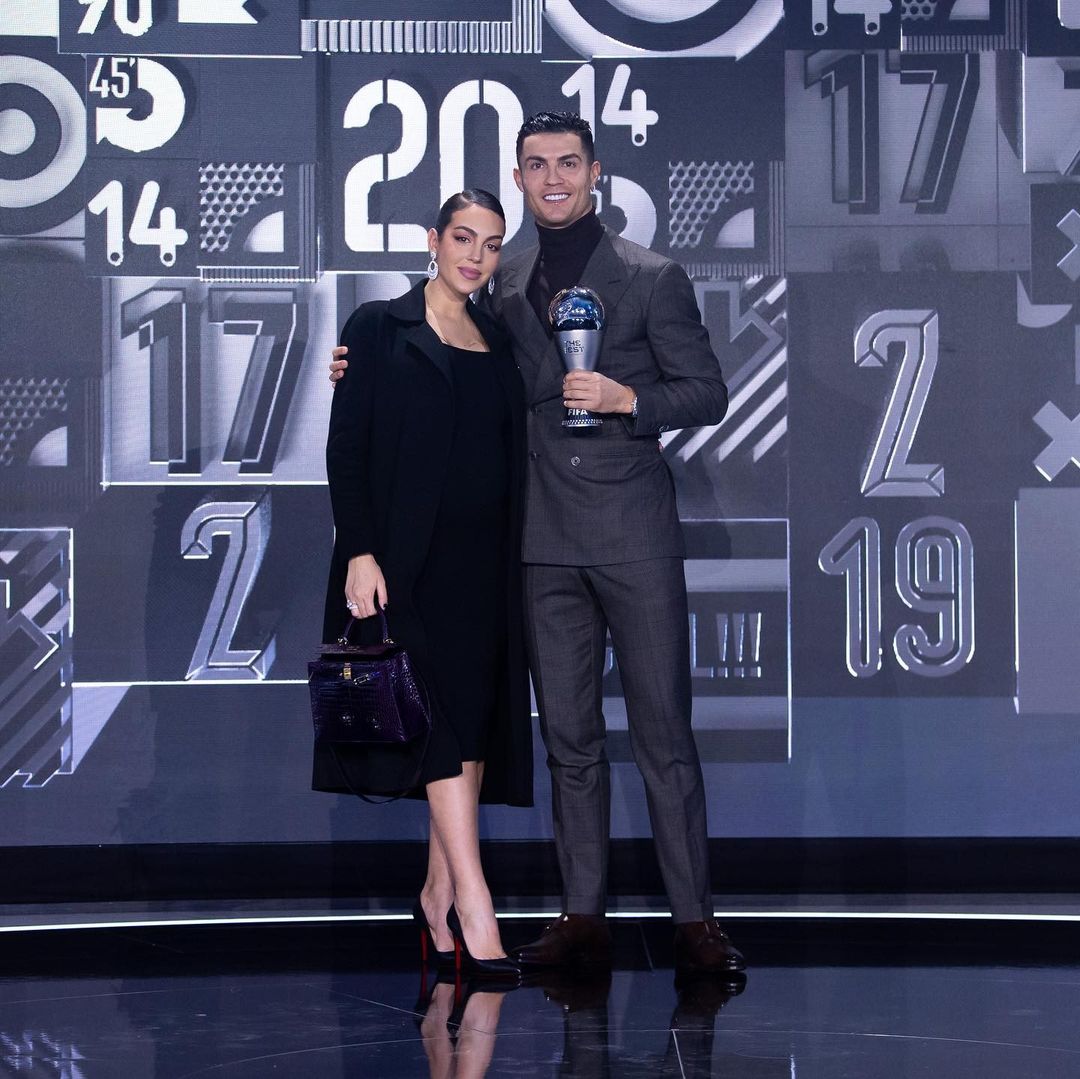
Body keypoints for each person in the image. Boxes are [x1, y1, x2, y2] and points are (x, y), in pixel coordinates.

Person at [331, 114, 744, 976]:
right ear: (517, 180)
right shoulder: (497, 281)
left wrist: (633, 399)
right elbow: (448, 357)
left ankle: (697, 922)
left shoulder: (650, 275)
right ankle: (581, 913)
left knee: (664, 733)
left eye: (567, 163)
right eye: (535, 165)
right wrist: (363, 364)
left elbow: (706, 390)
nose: (552, 177)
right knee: (569, 739)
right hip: (538, 540)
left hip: (633, 533)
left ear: (596, 173)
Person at [318, 189, 530, 977]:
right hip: (406, 562)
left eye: (492, 242)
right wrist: (361, 551)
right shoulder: (378, 326)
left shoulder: (499, 336)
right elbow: (347, 446)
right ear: (433, 240)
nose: (476, 254)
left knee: (471, 725)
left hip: (486, 560)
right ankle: (477, 908)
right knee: (436, 722)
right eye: (464, 237)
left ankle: (437, 891)